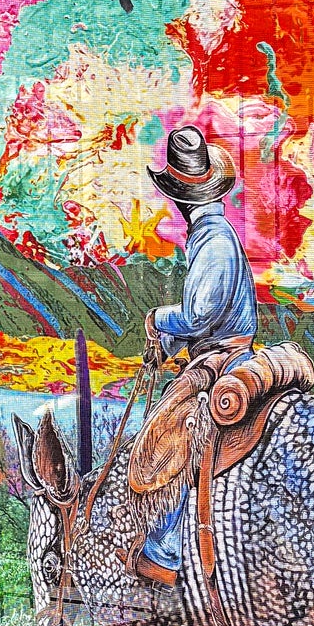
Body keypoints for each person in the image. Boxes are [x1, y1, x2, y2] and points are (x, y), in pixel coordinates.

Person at [131, 126, 258, 585]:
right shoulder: (211, 236)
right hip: (217, 351)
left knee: (181, 428)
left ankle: (166, 548)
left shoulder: (215, 241)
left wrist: (159, 320)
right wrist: (166, 344)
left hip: (225, 358)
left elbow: (202, 315)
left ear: (183, 195)